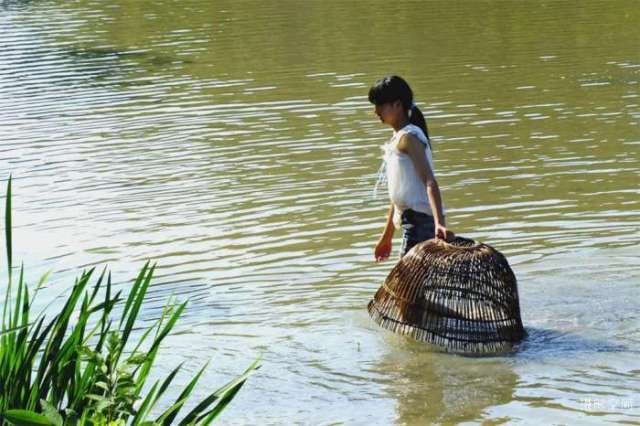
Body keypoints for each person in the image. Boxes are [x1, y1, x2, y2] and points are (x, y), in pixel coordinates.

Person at [368, 75, 452, 262]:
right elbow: (398, 195)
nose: (375, 111)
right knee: (412, 287)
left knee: (406, 287)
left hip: (420, 225)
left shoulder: (409, 137)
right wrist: (387, 237)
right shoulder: (399, 137)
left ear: (397, 105)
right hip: (411, 223)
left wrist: (439, 224)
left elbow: (430, 181)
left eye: (380, 105)